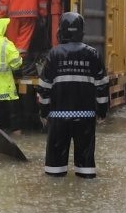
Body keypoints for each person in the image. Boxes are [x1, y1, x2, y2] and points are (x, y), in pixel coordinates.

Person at [36, 11, 110, 178]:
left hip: (58, 117)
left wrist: (44, 112)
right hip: (86, 117)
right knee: (86, 167)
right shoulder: (93, 54)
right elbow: (102, 86)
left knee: (54, 170)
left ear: (60, 30)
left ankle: (55, 197)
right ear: (81, 31)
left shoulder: (54, 54)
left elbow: (44, 87)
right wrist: (102, 111)